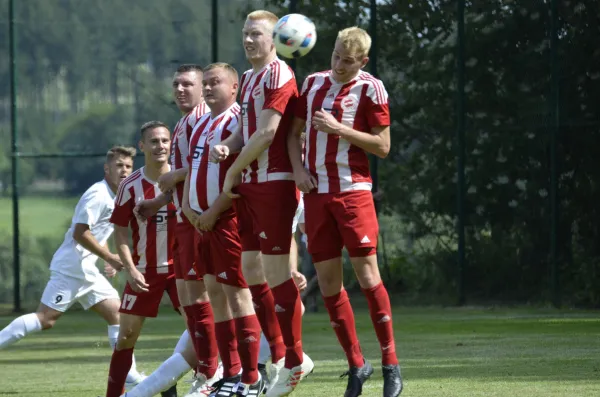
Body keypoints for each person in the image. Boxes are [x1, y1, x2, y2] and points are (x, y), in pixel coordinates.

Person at [287, 27, 403, 397]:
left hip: (353, 194)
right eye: (336, 55)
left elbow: (383, 146)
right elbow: (292, 134)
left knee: (368, 279)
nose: (338, 64)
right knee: (330, 285)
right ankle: (356, 364)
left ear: (362, 62)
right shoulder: (314, 83)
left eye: (347, 60)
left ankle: (391, 365)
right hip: (317, 196)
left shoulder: (372, 89)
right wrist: (299, 171)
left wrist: (340, 129)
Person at [209, 10, 313, 396]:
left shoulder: (279, 74)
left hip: (274, 183)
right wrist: (228, 145)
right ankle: (281, 357)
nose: (249, 40)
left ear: (277, 39)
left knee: (275, 273)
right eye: (245, 34)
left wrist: (233, 169)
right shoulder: (250, 76)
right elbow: (246, 129)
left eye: (257, 34)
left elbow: (269, 133)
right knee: (250, 270)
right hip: (250, 184)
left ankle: (295, 361)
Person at [0, 146, 144, 388]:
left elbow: (97, 229)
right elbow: (80, 232)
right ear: (107, 169)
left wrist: (104, 257)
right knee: (46, 319)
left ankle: (129, 376)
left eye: (128, 167)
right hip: (72, 268)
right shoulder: (98, 194)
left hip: (87, 270)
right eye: (119, 166)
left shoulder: (117, 195)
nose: (124, 171)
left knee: (118, 315)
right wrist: (109, 257)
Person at [134, 64, 219, 395]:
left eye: (188, 84)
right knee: (188, 301)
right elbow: (183, 176)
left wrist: (175, 176)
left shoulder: (204, 119)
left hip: (201, 222)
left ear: (202, 88)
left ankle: (215, 372)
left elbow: (210, 163)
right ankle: (207, 369)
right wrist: (158, 202)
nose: (181, 90)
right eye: (176, 85)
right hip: (183, 221)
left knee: (202, 299)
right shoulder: (183, 123)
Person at [182, 61, 266, 396]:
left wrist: (215, 210)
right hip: (201, 222)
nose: (208, 87)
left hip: (227, 221)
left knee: (238, 296)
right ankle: (230, 375)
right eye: (207, 82)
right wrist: (189, 207)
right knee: (216, 296)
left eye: (216, 82)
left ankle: (251, 377)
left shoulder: (237, 122)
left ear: (234, 88)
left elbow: (240, 178)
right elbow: (191, 170)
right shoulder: (202, 123)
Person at [105, 121, 183, 397]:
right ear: (142, 146)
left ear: (171, 143)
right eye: (153, 141)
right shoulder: (130, 185)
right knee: (126, 337)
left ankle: (179, 381)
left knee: (202, 331)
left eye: (164, 140)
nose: (160, 146)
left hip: (182, 271)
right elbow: (121, 233)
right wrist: (130, 270)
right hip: (144, 271)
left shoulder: (182, 178)